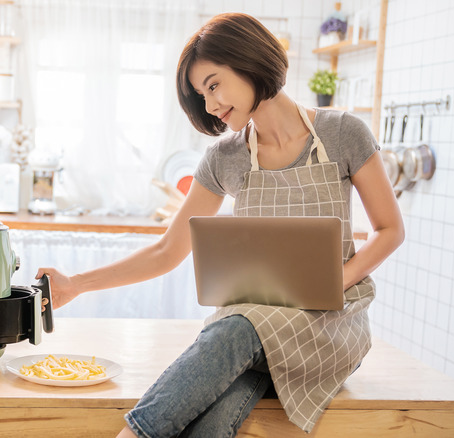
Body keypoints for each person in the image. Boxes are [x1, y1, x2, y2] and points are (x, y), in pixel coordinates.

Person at [36, 12, 404, 437]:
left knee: (236, 327)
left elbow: (390, 229)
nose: (209, 105)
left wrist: (336, 280)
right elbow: (166, 251)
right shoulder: (225, 157)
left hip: (329, 323)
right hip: (252, 328)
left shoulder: (344, 133)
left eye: (213, 85)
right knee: (216, 407)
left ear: (249, 60)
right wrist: (75, 284)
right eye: (201, 94)